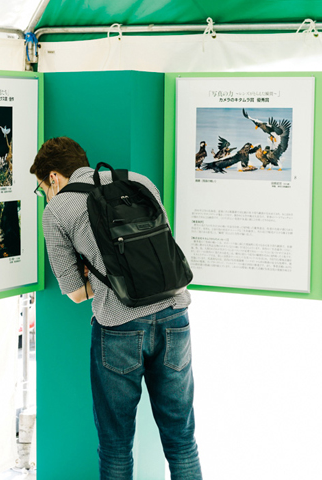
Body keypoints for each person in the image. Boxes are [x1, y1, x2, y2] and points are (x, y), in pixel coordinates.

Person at [31, 136, 202, 480]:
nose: (45, 196)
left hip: (120, 327)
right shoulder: (138, 181)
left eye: (41, 188)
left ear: (53, 177)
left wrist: (98, 276)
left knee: (116, 444)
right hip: (174, 316)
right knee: (182, 439)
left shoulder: (57, 211)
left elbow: (77, 294)